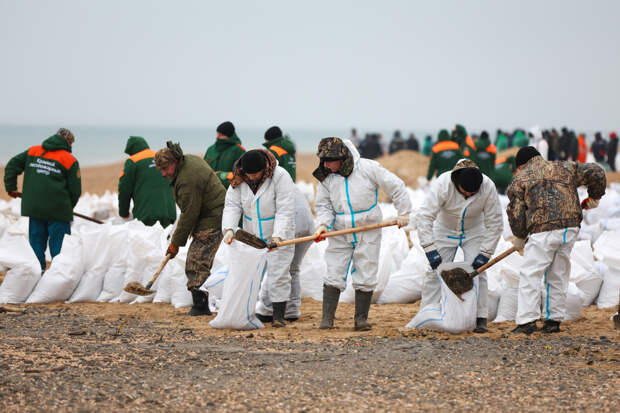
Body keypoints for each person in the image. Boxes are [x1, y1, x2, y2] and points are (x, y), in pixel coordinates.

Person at [313, 137, 411, 331]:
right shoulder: (326, 175)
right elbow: (323, 204)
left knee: (366, 269)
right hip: (340, 228)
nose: (325, 164)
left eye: (329, 161)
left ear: (341, 158)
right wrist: (324, 224)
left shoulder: (368, 168)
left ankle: (361, 319)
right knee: (334, 269)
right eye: (323, 160)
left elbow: (396, 186)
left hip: (368, 227)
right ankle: (327, 319)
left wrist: (404, 212)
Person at [507, 146, 606, 334]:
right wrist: (594, 197)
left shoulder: (520, 179)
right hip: (569, 227)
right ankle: (554, 320)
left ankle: (527, 321)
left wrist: (519, 235)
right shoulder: (565, 167)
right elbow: (597, 172)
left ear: (521, 166)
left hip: (542, 229)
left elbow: (515, 212)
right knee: (558, 273)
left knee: (531, 273)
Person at [222, 149, 313, 327]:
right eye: (249, 174)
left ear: (264, 169)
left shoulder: (280, 177)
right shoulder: (240, 177)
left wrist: (278, 236)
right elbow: (232, 204)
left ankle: (278, 316)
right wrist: (229, 228)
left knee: (279, 273)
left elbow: (285, 209)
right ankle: (252, 311)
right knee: (251, 273)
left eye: (255, 174)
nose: (252, 177)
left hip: (277, 232)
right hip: (253, 234)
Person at [417, 159, 503, 333]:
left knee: (479, 272)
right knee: (434, 272)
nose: (470, 194)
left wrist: (485, 253)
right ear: (456, 184)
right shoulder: (443, 184)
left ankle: (480, 317)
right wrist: (430, 250)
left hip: (474, 230)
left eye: (474, 192)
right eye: (466, 191)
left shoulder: (488, 187)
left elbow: (495, 223)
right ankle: (428, 313)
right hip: (445, 228)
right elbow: (424, 217)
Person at [155, 142, 226, 316]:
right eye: (160, 170)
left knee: (196, 260)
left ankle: (200, 306)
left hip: (213, 218)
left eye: (165, 168)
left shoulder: (187, 180)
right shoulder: (189, 161)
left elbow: (189, 214)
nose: (164, 174)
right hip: (211, 213)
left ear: (175, 161)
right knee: (197, 259)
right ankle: (200, 304)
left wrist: (175, 244)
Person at [4, 129, 81, 271]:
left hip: (35, 208)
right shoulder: (69, 160)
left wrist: (11, 187)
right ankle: (59, 275)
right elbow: (75, 191)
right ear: (68, 142)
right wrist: (68, 208)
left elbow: (12, 166)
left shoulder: (33, 152)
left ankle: (37, 273)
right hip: (58, 211)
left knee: (36, 243)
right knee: (60, 245)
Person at [118, 136, 176, 227]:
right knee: (166, 239)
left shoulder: (133, 161)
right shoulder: (160, 156)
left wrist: (124, 214)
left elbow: (124, 190)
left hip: (146, 217)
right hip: (169, 214)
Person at [204, 121, 246, 188]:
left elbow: (242, 174)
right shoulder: (211, 149)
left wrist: (221, 175)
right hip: (209, 188)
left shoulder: (238, 150)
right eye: (217, 134)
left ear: (229, 136)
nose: (217, 137)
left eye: (221, 135)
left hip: (228, 189)